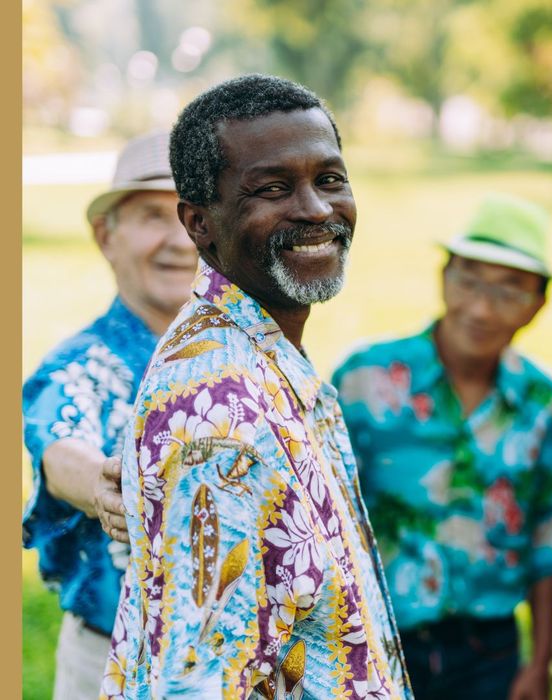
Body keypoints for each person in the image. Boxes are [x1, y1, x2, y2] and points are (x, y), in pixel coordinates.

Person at [99, 74, 412, 700]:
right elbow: (195, 686)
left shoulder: (266, 357)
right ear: (200, 223)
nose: (318, 210)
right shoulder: (218, 420)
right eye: (272, 188)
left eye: (329, 179)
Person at [332, 193, 552, 700]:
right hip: (378, 634)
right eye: (469, 280)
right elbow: (324, 517)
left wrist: (541, 659)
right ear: (444, 279)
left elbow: (549, 538)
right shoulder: (366, 379)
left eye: (510, 290)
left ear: (539, 304)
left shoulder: (542, 403)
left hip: (488, 651)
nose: (482, 308)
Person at [22, 130, 198, 699]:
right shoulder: (81, 363)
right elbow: (59, 445)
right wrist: (101, 482)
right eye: (152, 216)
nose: (178, 241)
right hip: (111, 659)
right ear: (106, 235)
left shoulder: (247, 354)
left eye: (191, 217)